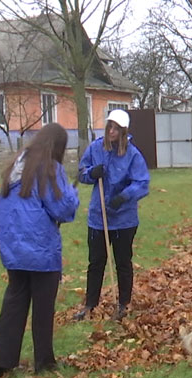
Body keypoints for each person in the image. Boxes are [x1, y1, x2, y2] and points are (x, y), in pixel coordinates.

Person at [0, 123, 80, 377]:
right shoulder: (51, 169)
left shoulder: (16, 165)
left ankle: (1, 363)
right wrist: (73, 194)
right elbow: (62, 208)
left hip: (14, 249)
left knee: (14, 303)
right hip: (41, 250)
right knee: (43, 307)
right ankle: (44, 362)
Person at [73, 109, 150, 322]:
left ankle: (123, 303)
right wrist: (91, 173)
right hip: (99, 217)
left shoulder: (132, 154)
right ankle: (90, 305)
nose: (111, 131)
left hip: (124, 219)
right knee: (96, 262)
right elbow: (82, 172)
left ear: (124, 131)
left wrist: (124, 197)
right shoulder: (95, 148)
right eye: (109, 127)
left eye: (116, 128)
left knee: (123, 262)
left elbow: (142, 183)